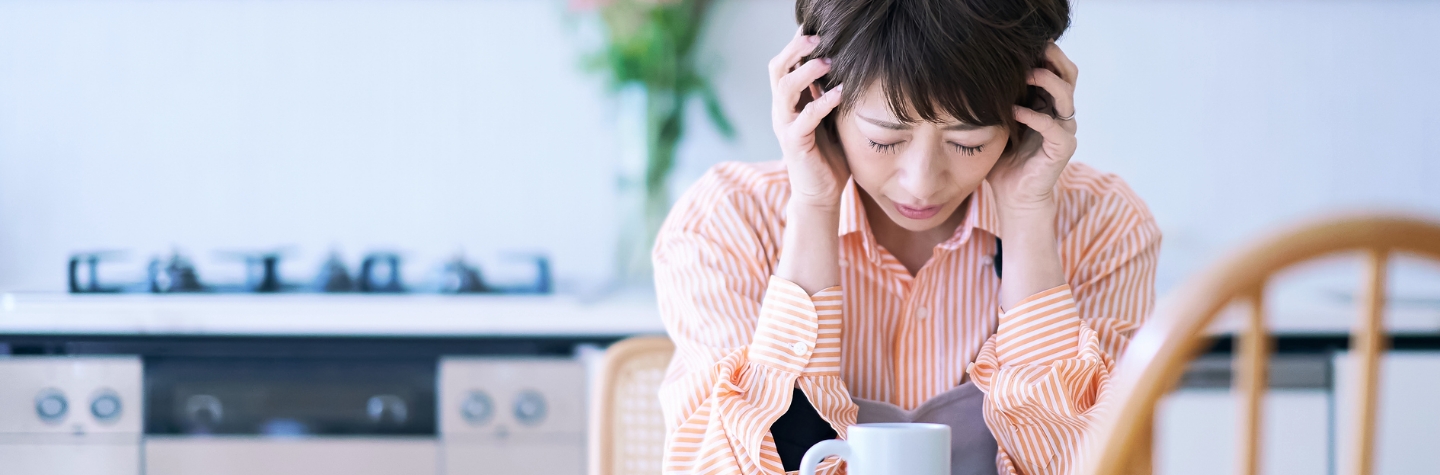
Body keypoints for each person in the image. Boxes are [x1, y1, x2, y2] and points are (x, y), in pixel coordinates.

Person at [652, 0, 1160, 473]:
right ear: (816, 96)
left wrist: (1027, 215)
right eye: (884, 138)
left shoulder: (1100, 224)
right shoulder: (729, 222)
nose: (921, 182)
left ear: (1030, 107)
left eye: (968, 141)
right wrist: (812, 207)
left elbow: (1092, 462)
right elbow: (729, 465)